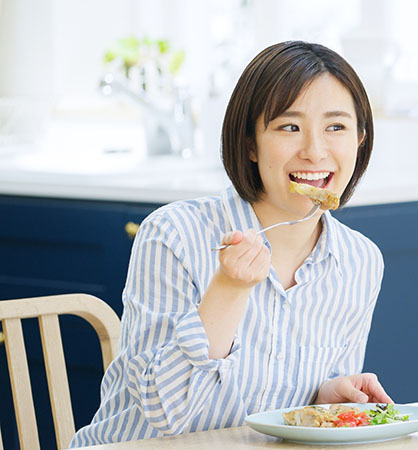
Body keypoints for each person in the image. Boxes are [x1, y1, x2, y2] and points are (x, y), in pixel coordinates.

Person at [70, 41, 390, 447]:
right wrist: (228, 289)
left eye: (336, 127)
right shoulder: (174, 235)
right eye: (289, 127)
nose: (315, 150)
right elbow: (167, 414)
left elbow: (284, 413)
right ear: (250, 144)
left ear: (360, 139)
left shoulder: (360, 261)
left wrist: (322, 400)